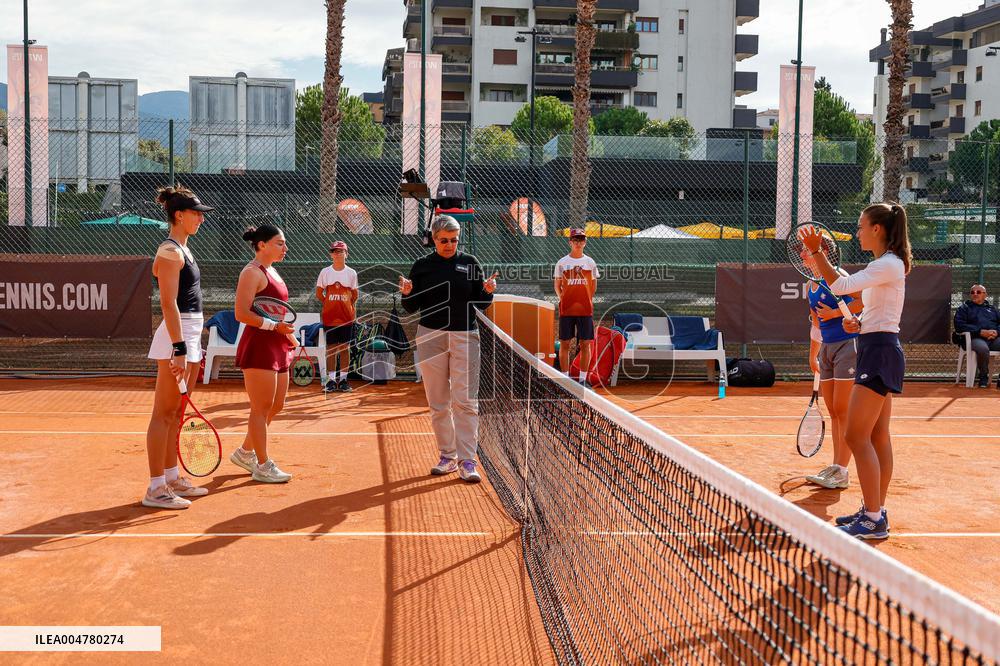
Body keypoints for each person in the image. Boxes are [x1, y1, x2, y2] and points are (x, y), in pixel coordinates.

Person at [800, 203, 911, 541]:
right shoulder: (882, 266)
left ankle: (874, 518)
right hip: (876, 345)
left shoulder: (889, 264)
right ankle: (873, 510)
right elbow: (877, 310)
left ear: (877, 229)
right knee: (877, 436)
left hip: (880, 353)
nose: (858, 231)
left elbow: (838, 285)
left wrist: (818, 252)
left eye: (862, 226)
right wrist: (857, 322)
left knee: (855, 436)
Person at [399, 215, 498, 483]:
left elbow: (481, 302)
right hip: (430, 336)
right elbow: (411, 307)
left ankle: (468, 461)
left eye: (454, 240)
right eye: (444, 240)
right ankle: (447, 457)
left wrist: (488, 290)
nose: (449, 245)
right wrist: (407, 293)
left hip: (465, 336)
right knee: (438, 401)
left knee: (465, 400)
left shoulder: (470, 263)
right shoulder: (422, 266)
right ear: (434, 239)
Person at [143, 185, 215, 509]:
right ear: (178, 215)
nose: (201, 218)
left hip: (191, 335)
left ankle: (172, 477)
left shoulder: (182, 249)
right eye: (196, 213)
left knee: (177, 412)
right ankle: (156, 488)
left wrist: (190, 345)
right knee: (163, 413)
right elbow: (169, 304)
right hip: (179, 337)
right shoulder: (170, 251)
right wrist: (179, 349)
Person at [232, 224, 295, 483]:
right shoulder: (251, 273)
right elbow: (241, 313)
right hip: (259, 345)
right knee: (260, 407)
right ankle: (262, 464)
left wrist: (289, 336)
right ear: (262, 245)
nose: (285, 248)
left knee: (276, 405)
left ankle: (245, 452)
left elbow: (276, 311)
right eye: (279, 243)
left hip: (278, 342)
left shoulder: (273, 271)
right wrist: (274, 327)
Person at [802, 251, 863, 491]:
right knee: (834, 412)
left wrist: (836, 313)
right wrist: (813, 353)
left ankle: (843, 470)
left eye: (807, 253)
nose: (803, 258)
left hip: (849, 345)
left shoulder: (839, 277)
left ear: (823, 253)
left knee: (843, 410)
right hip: (827, 347)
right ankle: (836, 466)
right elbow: (817, 323)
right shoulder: (811, 285)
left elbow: (862, 301)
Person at [554, 228, 600, 385]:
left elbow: (593, 286)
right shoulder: (562, 262)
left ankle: (582, 380)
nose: (578, 243)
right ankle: (565, 380)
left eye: (581, 240)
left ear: (585, 242)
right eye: (575, 240)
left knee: (585, 343)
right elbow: (557, 285)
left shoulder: (590, 262)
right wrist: (563, 299)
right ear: (570, 242)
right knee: (565, 343)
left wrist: (586, 299)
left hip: (585, 310)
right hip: (566, 310)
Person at [316, 240, 359, 393]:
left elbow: (355, 295)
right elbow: (319, 293)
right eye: (334, 251)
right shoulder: (325, 272)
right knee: (331, 348)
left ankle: (344, 380)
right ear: (331, 254)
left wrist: (345, 306)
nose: (337, 253)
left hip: (346, 318)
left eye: (341, 251)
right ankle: (331, 381)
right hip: (330, 317)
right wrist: (329, 303)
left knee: (344, 348)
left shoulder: (351, 273)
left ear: (346, 254)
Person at [953, 284, 1000, 388]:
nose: (975, 294)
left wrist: (996, 332)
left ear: (985, 295)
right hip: (974, 338)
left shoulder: (993, 309)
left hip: (993, 338)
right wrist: (980, 332)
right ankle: (983, 376)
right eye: (972, 292)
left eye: (978, 292)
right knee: (982, 348)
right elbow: (959, 326)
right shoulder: (964, 308)